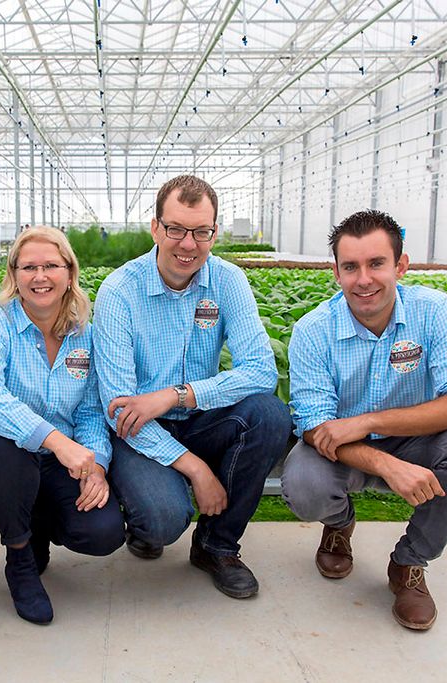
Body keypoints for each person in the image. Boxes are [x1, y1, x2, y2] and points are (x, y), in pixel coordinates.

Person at [282, 209, 447, 631]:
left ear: (401, 265)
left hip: (413, 440)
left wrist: (367, 421)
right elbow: (314, 426)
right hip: (342, 451)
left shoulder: (433, 311)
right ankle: (338, 525)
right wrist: (385, 463)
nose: (363, 279)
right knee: (304, 485)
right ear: (336, 273)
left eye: (376, 263)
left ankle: (409, 563)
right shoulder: (313, 330)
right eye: (351, 267)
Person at [93, 175, 292, 599]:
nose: (188, 244)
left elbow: (260, 371)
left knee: (270, 415)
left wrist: (176, 395)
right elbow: (118, 407)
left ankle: (216, 545)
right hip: (138, 430)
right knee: (164, 519)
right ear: (155, 228)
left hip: (198, 419)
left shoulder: (227, 281)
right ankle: (148, 522)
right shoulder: (120, 292)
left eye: (201, 232)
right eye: (176, 229)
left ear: (214, 233)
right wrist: (197, 469)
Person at [0, 227, 124, 624]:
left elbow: (89, 412)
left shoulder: (85, 334)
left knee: (103, 532)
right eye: (28, 267)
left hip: (56, 463)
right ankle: (19, 559)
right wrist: (55, 440)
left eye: (51, 265)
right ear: (13, 275)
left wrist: (95, 465)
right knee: (8, 448)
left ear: (69, 272)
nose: (40, 276)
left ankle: (34, 530)